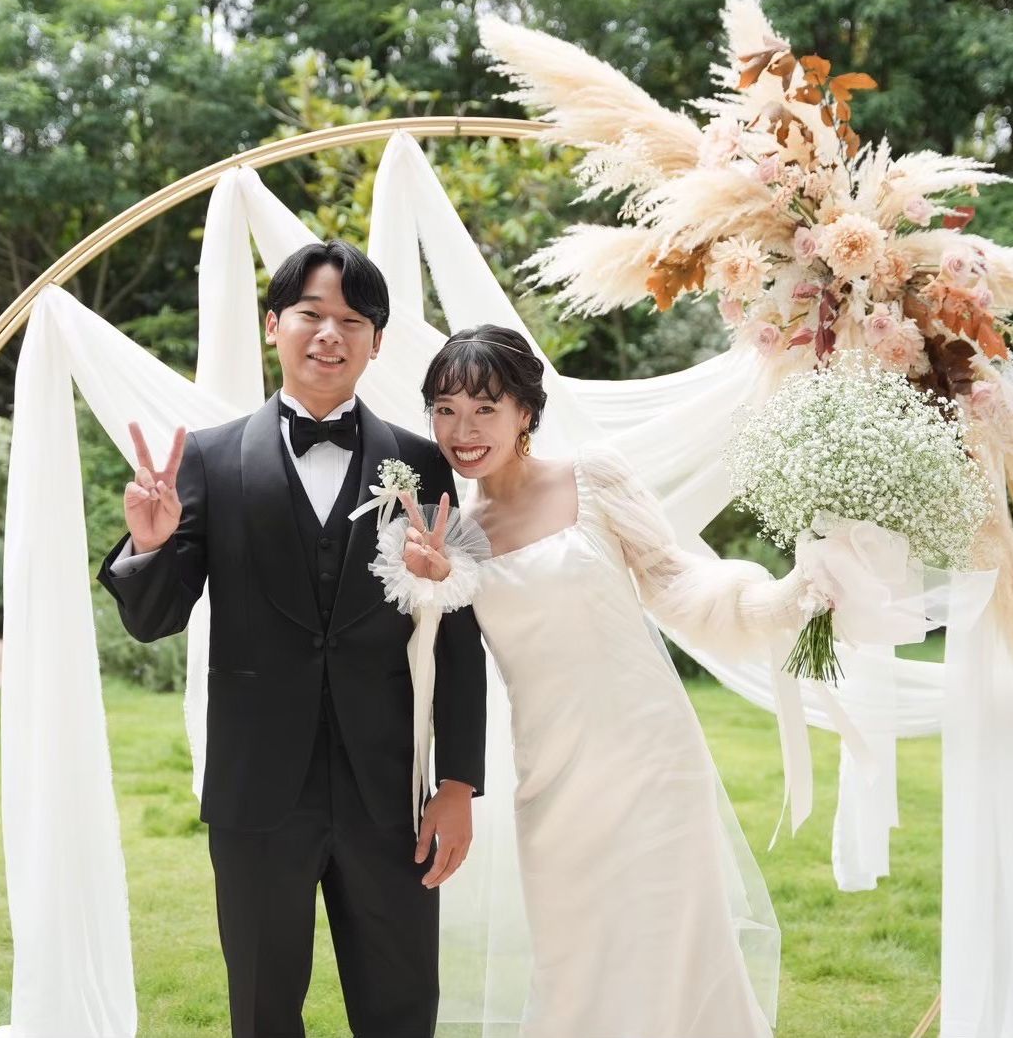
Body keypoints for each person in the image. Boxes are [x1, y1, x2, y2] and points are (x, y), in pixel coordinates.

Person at [389, 323, 834, 1038]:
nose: (462, 431)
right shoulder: (453, 536)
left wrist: (784, 601)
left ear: (525, 413)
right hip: (552, 777)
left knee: (673, 947)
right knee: (577, 967)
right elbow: (439, 671)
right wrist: (431, 588)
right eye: (445, 410)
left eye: (484, 409)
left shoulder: (592, 477)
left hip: (652, 759)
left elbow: (675, 583)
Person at [96, 241, 487, 1038]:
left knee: (403, 1007)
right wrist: (149, 546)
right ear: (275, 324)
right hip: (257, 792)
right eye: (311, 314)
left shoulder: (420, 465)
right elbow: (154, 618)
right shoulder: (210, 460)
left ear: (377, 341)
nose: (329, 334)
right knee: (263, 1011)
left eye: (352, 320)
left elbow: (455, 634)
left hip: (389, 793)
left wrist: (456, 784)